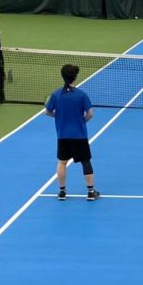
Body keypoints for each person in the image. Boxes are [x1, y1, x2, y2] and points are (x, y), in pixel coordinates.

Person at [45, 64, 99, 202]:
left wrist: (58, 117)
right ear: (75, 77)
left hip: (63, 135)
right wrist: (82, 122)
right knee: (85, 162)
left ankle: (62, 192)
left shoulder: (56, 95)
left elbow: (47, 111)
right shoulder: (82, 95)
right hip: (79, 135)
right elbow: (90, 114)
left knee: (62, 163)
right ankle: (91, 192)